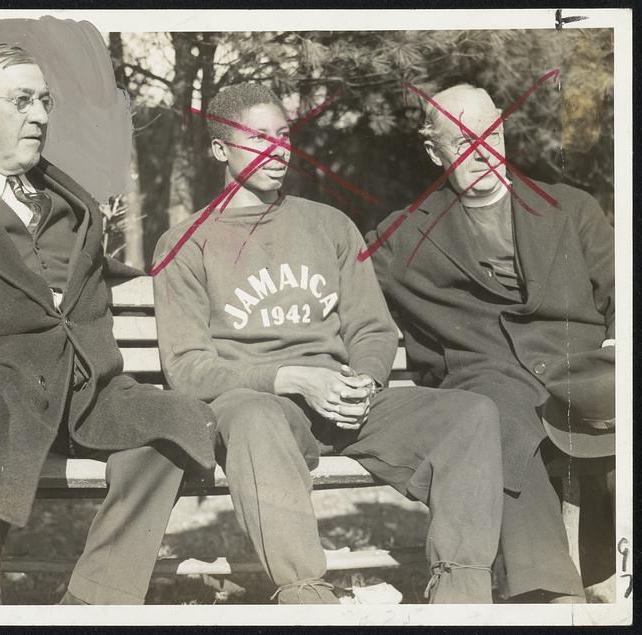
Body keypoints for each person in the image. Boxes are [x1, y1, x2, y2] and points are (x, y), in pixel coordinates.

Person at [0, 43, 216, 605]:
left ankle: (93, 604)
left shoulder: (68, 200)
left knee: (177, 421)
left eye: (45, 100)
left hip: (86, 394)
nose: (40, 115)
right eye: (22, 100)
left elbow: (77, 285)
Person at [153, 83, 505, 604]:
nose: (277, 150)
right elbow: (187, 367)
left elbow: (372, 328)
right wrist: (289, 378)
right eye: (257, 138)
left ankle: (462, 597)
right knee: (255, 417)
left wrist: (365, 377)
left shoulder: (330, 225)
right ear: (219, 149)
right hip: (261, 410)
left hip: (344, 403)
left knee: (471, 415)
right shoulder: (187, 243)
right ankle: (307, 598)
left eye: (283, 135)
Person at [368, 83, 615, 603]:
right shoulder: (403, 238)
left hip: (585, 375)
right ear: (434, 152)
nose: (482, 150)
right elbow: (338, 288)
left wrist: (616, 352)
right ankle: (548, 594)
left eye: (491, 131)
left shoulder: (572, 208)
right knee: (490, 417)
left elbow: (624, 292)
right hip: (491, 383)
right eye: (461, 142)